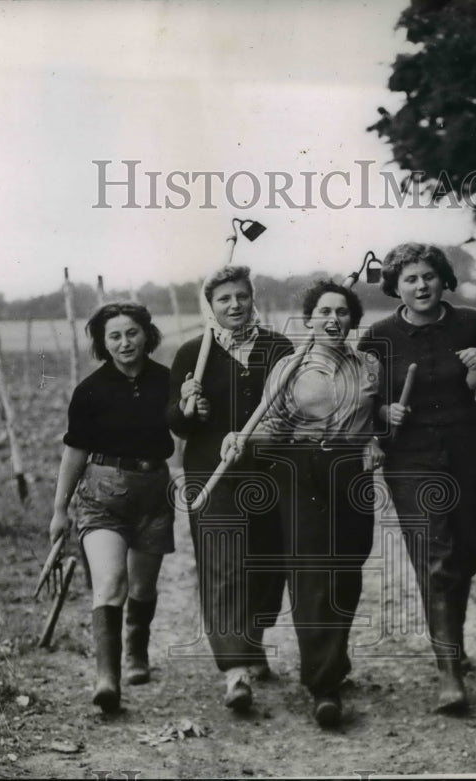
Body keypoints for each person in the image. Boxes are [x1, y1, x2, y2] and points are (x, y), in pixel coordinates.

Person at [359, 243, 476, 713]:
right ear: (395, 286)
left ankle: (451, 644)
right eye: (411, 279)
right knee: (436, 557)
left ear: (443, 280)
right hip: (410, 457)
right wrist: (382, 410)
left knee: (464, 555)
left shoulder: (469, 323)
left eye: (429, 276)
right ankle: (450, 673)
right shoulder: (378, 336)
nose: (421, 286)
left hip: (465, 452)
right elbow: (359, 399)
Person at [221, 279, 384, 728]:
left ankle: (333, 661)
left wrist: (377, 436)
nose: (333, 319)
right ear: (310, 319)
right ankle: (324, 686)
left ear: (353, 320)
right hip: (300, 468)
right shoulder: (289, 368)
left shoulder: (369, 364)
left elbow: (378, 417)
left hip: (352, 472)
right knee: (312, 576)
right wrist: (243, 438)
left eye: (342, 312)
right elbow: (271, 425)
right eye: (324, 312)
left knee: (347, 571)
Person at [166, 266, 293, 713]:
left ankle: (252, 640)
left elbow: (293, 410)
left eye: (241, 296)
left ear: (252, 298)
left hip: (271, 472)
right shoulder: (191, 353)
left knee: (269, 563)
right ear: (211, 306)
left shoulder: (279, 348)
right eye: (224, 299)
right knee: (223, 563)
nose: (234, 305)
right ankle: (235, 670)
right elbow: (174, 423)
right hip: (212, 472)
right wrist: (190, 408)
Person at [48, 302, 175, 714]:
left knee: (142, 587)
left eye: (132, 333)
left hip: (154, 494)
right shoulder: (90, 391)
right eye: (115, 336)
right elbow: (74, 454)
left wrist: (193, 404)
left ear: (147, 335)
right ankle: (107, 678)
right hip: (103, 496)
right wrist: (59, 510)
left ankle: (137, 650)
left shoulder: (166, 381)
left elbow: (187, 423)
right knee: (111, 583)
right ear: (104, 343)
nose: (125, 343)